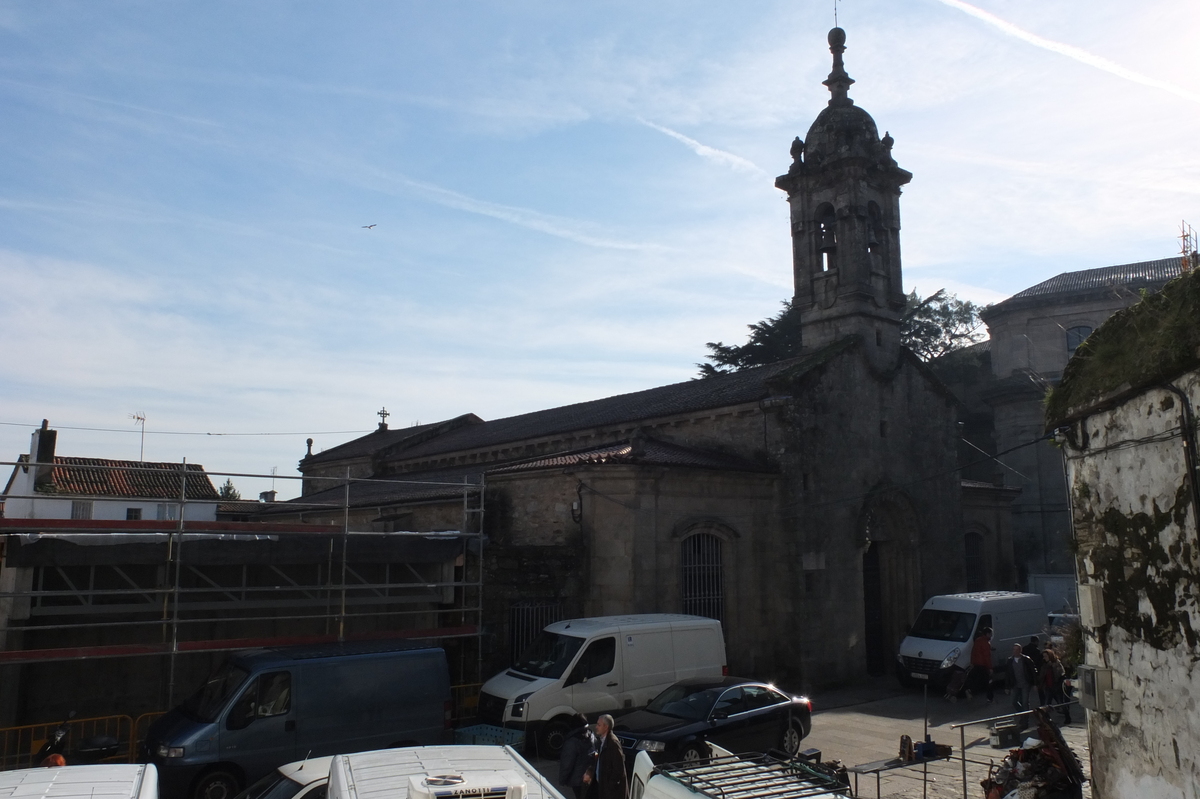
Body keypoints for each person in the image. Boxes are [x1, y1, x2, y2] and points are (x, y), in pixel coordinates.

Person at [584, 714, 627, 799]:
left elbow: (618, 770)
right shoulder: (601, 741)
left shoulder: (613, 744)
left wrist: (609, 786)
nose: (596, 727)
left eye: (599, 725)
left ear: (606, 727)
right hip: (601, 786)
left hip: (609, 791)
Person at [559, 713, 597, 799]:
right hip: (591, 776)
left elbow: (567, 763)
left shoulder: (572, 742)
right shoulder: (591, 735)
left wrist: (562, 780)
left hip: (577, 779)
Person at [1005, 643, 1036, 712]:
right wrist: (1007, 687)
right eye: (1014, 650)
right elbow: (1007, 674)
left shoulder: (1026, 660)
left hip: (1025, 684)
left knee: (1025, 702)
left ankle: (1025, 717)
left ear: (1020, 650)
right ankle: (1022, 712)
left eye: (1017, 650)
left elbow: (1033, 671)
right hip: (1015, 684)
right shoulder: (1010, 661)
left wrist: (1035, 684)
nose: (1015, 651)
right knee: (1014, 701)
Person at [966, 627, 994, 703]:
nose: (991, 636)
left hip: (976, 663)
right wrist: (990, 667)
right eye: (991, 634)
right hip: (983, 665)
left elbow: (973, 652)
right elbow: (986, 656)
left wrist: (972, 662)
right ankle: (989, 698)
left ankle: (970, 690)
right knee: (989, 681)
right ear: (987, 634)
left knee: (977, 680)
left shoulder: (978, 640)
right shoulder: (986, 643)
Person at [1043, 650, 1072, 724]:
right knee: (1047, 704)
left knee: (1061, 703)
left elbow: (1061, 674)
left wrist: (1059, 684)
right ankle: (1046, 720)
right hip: (1048, 687)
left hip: (1056, 687)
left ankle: (1067, 717)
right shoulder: (1045, 664)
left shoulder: (1056, 663)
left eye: (1046, 656)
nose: (1044, 658)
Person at [1025, 637, 1045, 705]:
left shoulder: (1024, 649)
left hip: (1027, 672)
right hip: (1035, 672)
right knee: (1040, 690)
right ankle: (1042, 704)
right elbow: (1039, 663)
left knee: (1026, 690)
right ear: (1036, 642)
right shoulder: (1037, 651)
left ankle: (1025, 703)